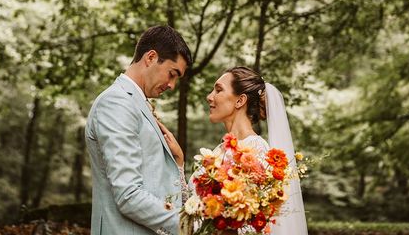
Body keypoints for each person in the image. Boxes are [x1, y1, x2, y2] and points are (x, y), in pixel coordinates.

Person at [162, 66, 308, 235]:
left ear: (240, 101)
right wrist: (179, 160)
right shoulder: (218, 150)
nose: (209, 97)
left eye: (218, 90)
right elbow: (189, 208)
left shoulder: (256, 150)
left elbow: (253, 226)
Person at [85, 25, 192, 235]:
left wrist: (178, 162)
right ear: (151, 57)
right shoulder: (117, 102)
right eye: (172, 74)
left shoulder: (136, 102)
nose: (172, 85)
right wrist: (189, 226)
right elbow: (128, 194)